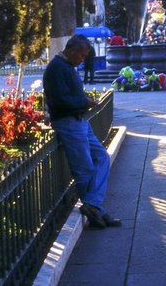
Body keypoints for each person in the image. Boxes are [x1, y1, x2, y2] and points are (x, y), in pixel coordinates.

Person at [43, 35, 121, 230]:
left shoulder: (68, 66)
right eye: (82, 55)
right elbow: (59, 101)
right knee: (84, 169)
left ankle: (93, 205)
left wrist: (83, 99)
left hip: (79, 121)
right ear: (72, 50)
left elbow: (72, 94)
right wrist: (84, 102)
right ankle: (97, 210)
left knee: (102, 157)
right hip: (68, 122)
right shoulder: (56, 69)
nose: (83, 59)